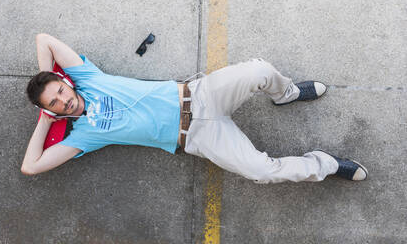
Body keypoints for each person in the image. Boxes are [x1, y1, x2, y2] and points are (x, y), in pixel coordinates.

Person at [21, 34, 368, 183]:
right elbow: (31, 166)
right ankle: (326, 165)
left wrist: (45, 77)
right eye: (55, 103)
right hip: (198, 137)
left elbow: (44, 40)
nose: (64, 100)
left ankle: (287, 93)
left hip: (199, 95)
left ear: (64, 80)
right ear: (54, 110)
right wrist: (44, 119)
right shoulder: (83, 135)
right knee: (262, 172)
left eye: (60, 91)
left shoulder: (88, 78)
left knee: (260, 70)